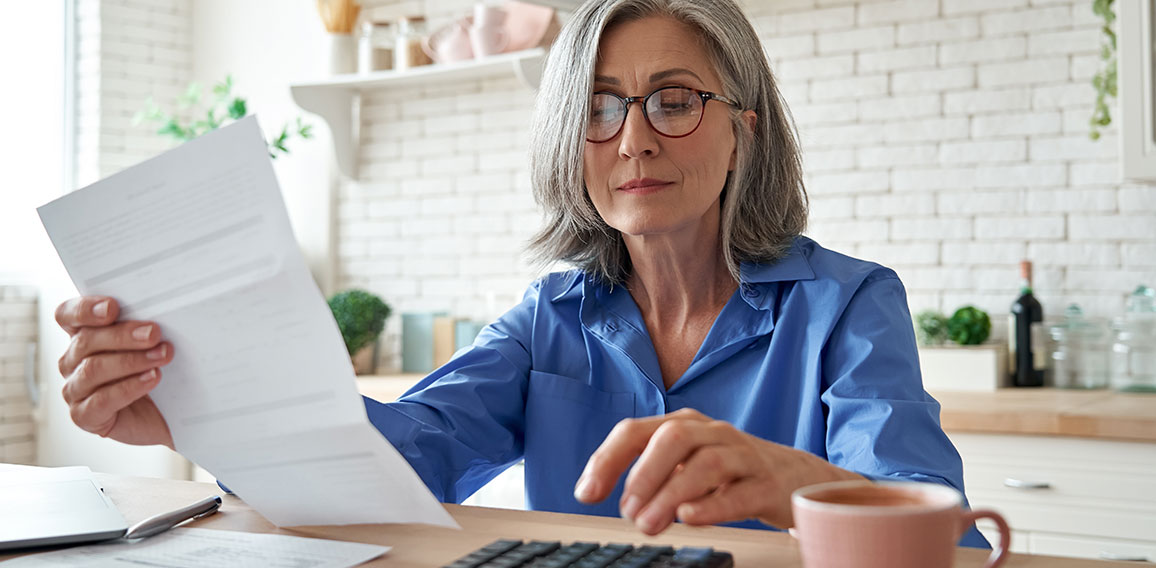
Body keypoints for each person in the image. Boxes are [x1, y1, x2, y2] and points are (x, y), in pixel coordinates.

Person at [54, 0, 988, 547]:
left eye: (674, 101)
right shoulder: (553, 315)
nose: (632, 139)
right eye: (599, 107)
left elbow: (955, 539)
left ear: (743, 128)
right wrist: (197, 406)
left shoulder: (848, 307)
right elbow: (396, 456)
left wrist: (790, 482)